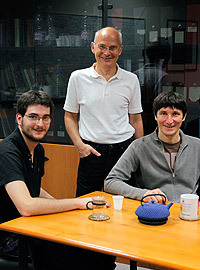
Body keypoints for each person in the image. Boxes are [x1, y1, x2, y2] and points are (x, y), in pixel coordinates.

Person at [0, 90, 115, 270]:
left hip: (28, 225)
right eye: (33, 117)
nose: (40, 123)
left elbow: (34, 189)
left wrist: (67, 211)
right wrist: (77, 203)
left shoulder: (37, 149)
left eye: (45, 118)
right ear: (19, 118)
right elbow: (27, 206)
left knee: (99, 248)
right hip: (8, 236)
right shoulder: (7, 152)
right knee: (82, 253)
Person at [64, 27, 144, 197]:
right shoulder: (77, 78)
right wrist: (79, 146)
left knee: (124, 206)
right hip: (90, 152)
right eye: (102, 47)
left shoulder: (131, 80)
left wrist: (139, 153)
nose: (107, 53)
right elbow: (70, 116)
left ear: (120, 50)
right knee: (85, 206)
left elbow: (136, 119)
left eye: (113, 47)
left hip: (124, 152)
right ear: (93, 47)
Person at [104, 91, 200, 204]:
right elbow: (111, 182)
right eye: (163, 114)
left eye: (175, 114)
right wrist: (143, 194)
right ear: (155, 116)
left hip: (191, 212)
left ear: (184, 117)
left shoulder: (197, 146)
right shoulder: (139, 147)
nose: (169, 121)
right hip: (155, 211)